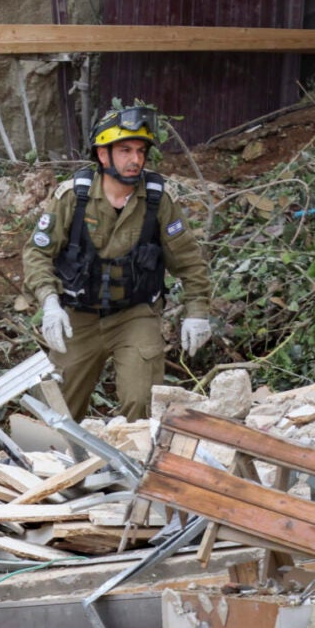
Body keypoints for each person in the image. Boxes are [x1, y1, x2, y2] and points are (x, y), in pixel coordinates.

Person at [23, 105, 216, 419]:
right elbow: (37, 253)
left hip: (135, 314)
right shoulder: (73, 196)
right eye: (125, 150)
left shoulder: (158, 199)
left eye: (140, 151)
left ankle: (137, 450)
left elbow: (189, 262)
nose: (135, 159)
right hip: (78, 316)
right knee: (56, 412)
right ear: (103, 155)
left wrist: (197, 313)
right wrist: (49, 302)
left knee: (142, 402)